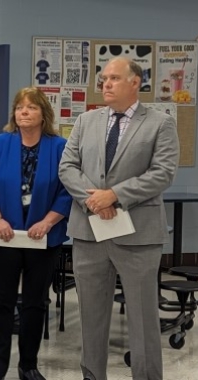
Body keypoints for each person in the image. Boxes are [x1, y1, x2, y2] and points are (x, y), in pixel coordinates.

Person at [59, 57, 179, 380]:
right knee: (91, 318)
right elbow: (67, 167)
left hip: (138, 236)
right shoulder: (86, 121)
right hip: (89, 233)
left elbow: (163, 173)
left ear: (134, 82)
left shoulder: (159, 123)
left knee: (142, 320)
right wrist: (94, 200)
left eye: (113, 78)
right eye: (103, 79)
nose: (106, 84)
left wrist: (115, 195)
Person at [0, 87, 72, 380]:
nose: (24, 113)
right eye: (20, 108)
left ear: (44, 114)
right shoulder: (0, 144)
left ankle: (28, 365)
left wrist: (48, 222)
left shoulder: (60, 147)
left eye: (31, 108)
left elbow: (67, 189)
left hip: (44, 238)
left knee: (34, 303)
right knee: (1, 304)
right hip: (3, 237)